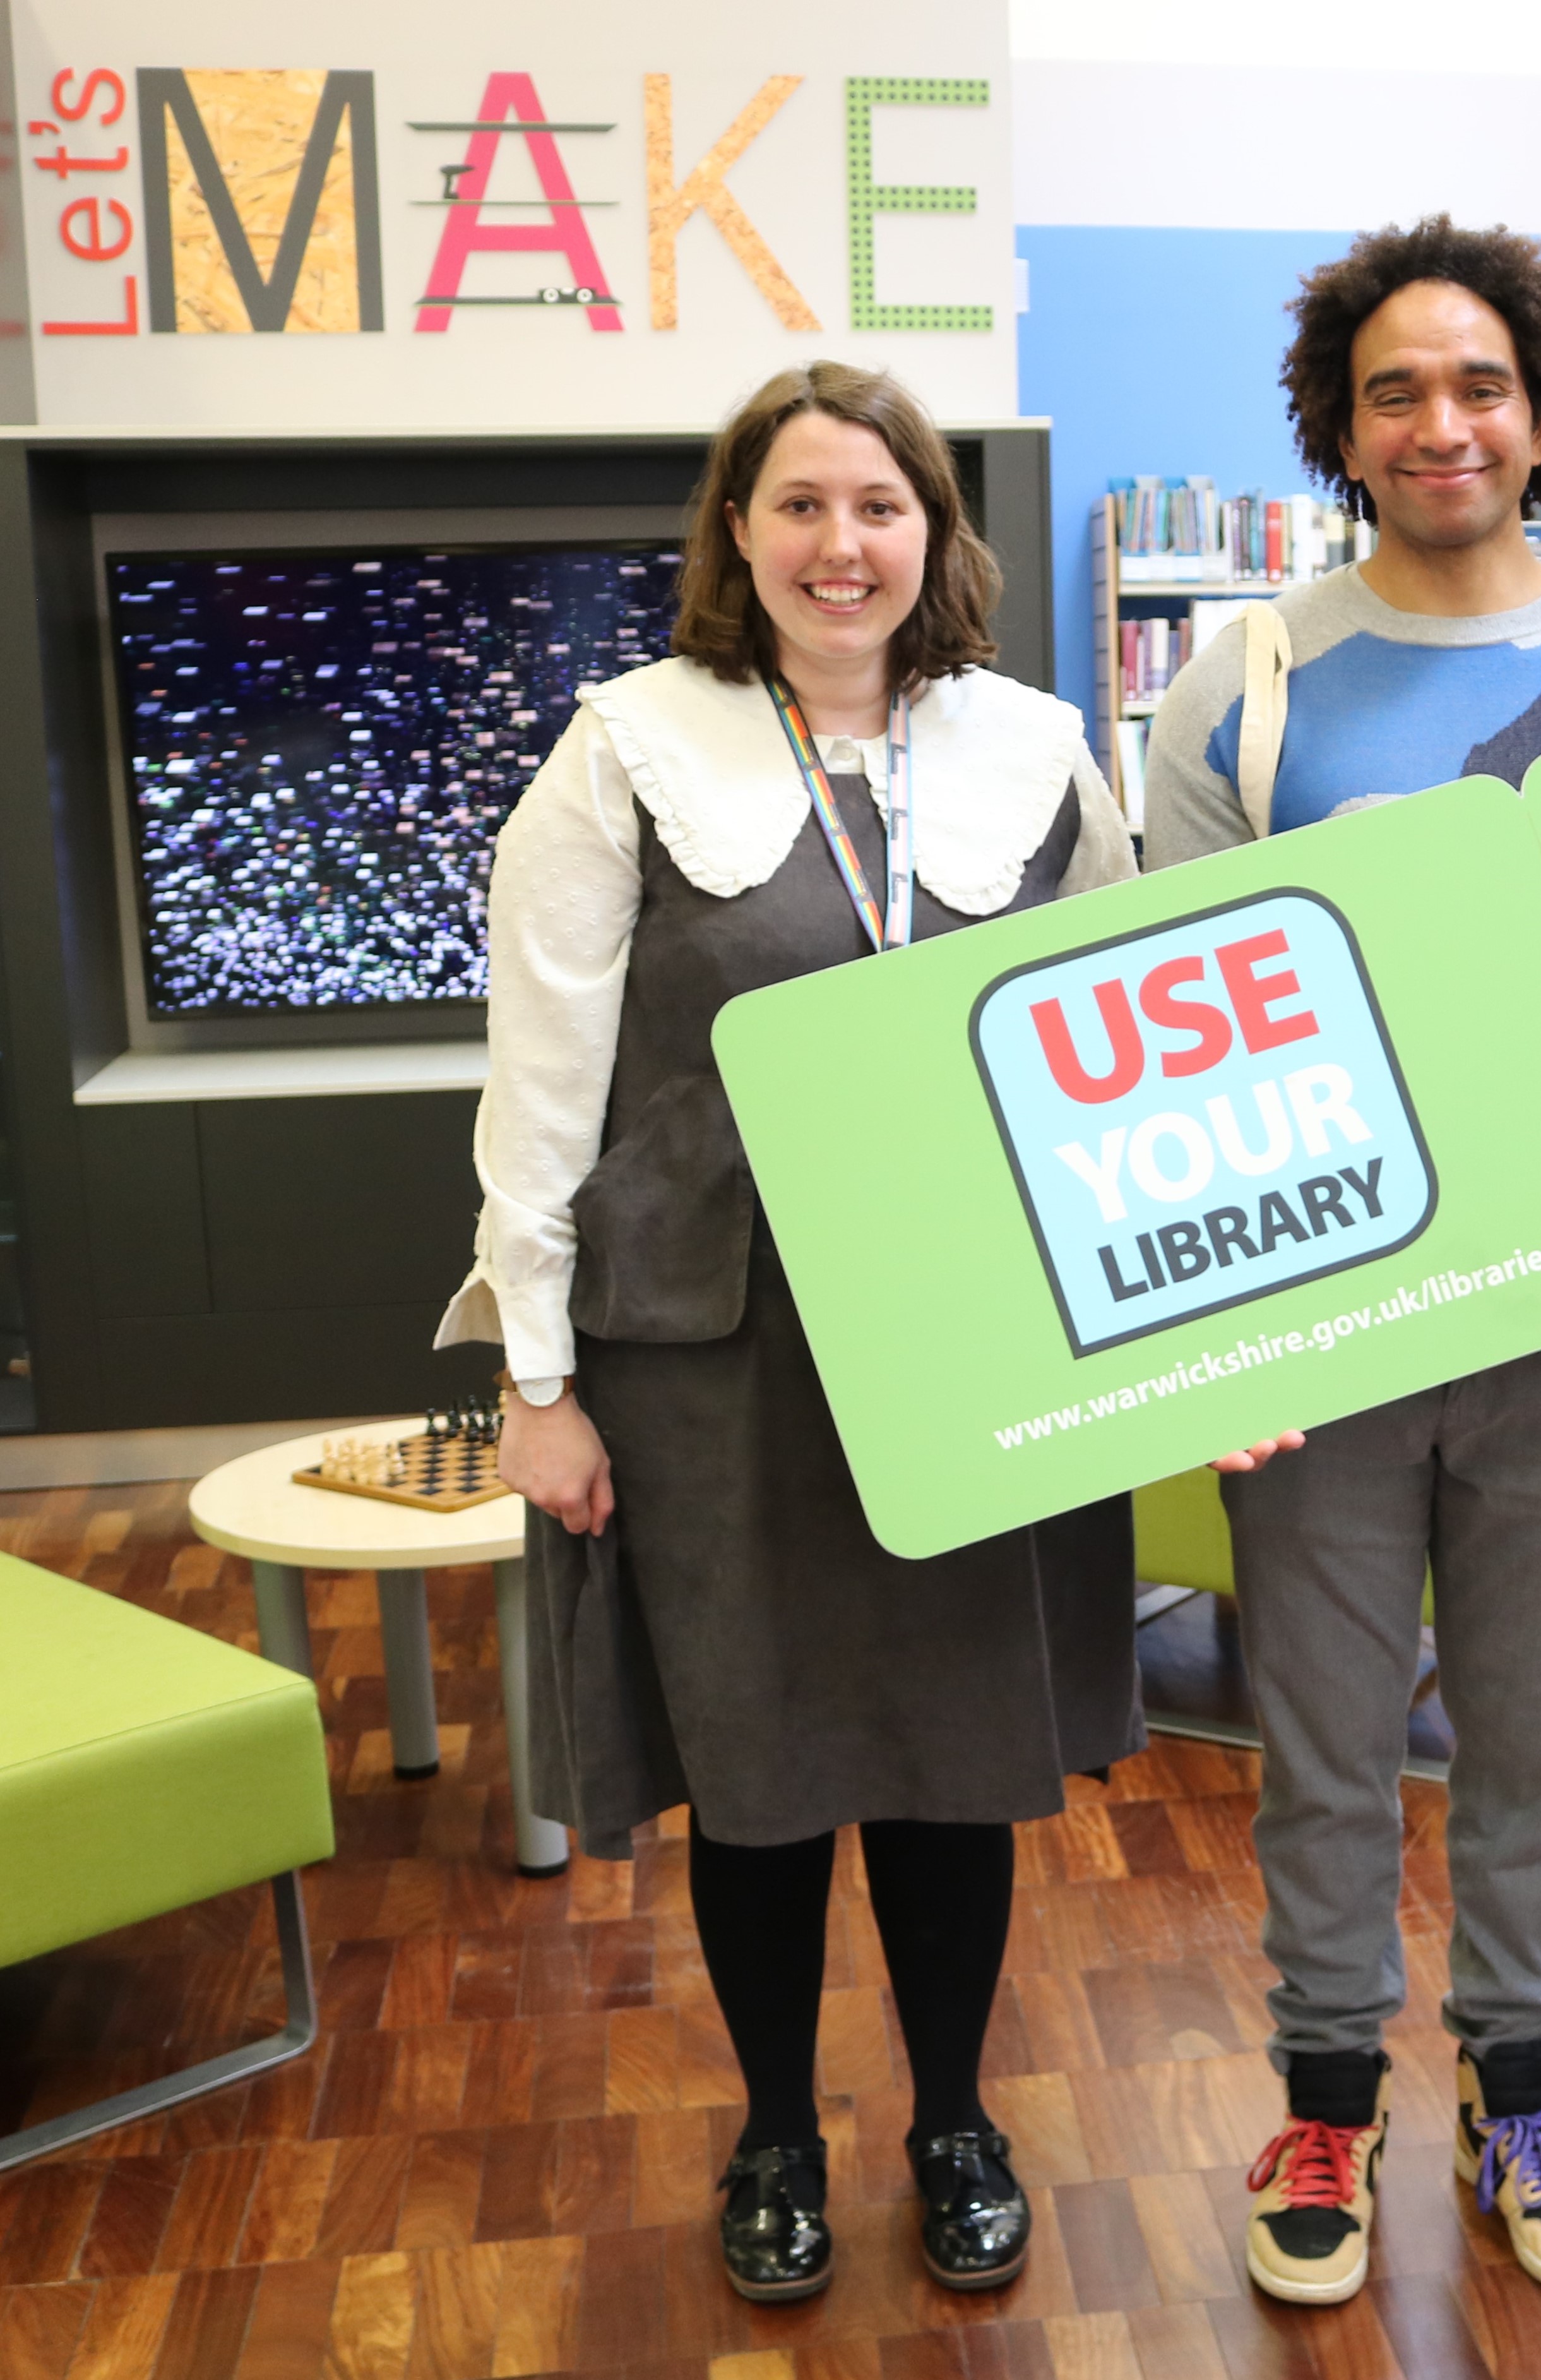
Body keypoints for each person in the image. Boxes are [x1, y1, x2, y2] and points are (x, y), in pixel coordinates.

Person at [440, 362, 1142, 2306]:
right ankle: (769, 2121)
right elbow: (543, 1073)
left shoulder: (1033, 747)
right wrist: (539, 1380)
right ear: (737, 536)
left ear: (938, 532)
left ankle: (951, 2115)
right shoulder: (624, 746)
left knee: (948, 1754)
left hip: (971, 1342)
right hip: (715, 1361)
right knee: (755, 1767)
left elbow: (1117, 1055)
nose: (846, 545)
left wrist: (1162, 1345)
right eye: (803, 506)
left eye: (883, 505)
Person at [1143, 217, 1541, 2308]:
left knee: (1535, 1731)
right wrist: (1221, 1334)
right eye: (1397, 387)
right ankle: (1322, 2090)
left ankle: (1519, 2084)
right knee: (1318, 1732)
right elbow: (1178, 1034)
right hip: (1321, 1335)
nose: (1440, 420)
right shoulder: (1248, 688)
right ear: (1342, 425)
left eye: (1477, 382)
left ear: (1540, 411)